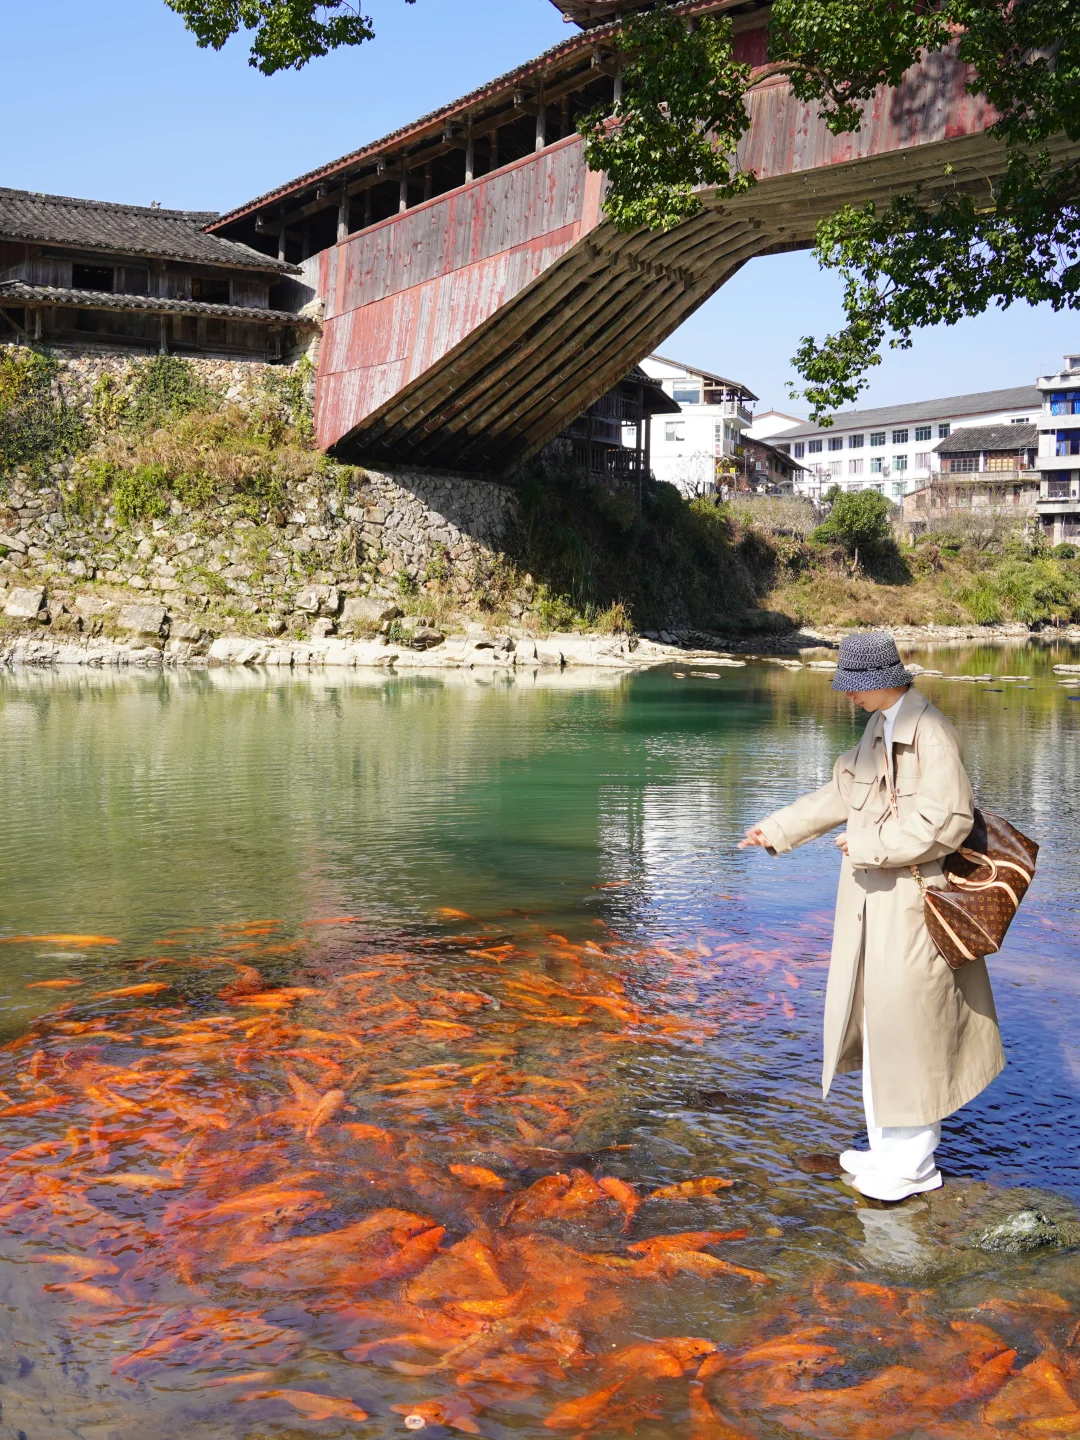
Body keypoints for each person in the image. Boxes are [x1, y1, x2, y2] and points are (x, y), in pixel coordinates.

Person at [739, 632, 1004, 1202]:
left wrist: (869, 846)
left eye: (855, 687)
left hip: (913, 903)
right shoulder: (877, 727)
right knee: (879, 1021)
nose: (849, 697)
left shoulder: (931, 734)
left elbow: (948, 821)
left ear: (884, 680)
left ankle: (914, 1167)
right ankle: (887, 1152)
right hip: (872, 903)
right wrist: (777, 830)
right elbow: (841, 793)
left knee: (913, 1029)